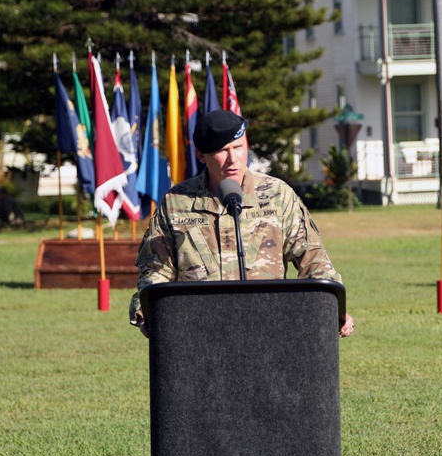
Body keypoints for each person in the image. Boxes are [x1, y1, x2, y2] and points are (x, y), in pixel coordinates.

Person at [129, 110, 355, 339]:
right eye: (222, 151)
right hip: (198, 331)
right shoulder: (176, 202)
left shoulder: (277, 195)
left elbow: (312, 257)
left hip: (269, 328)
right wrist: (148, 310)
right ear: (200, 155)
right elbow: (156, 270)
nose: (233, 159)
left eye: (238, 147)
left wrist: (333, 305)